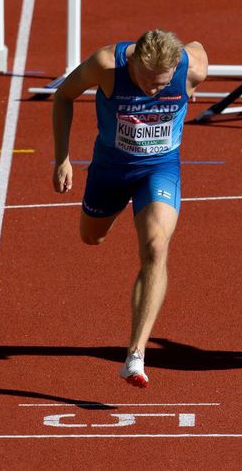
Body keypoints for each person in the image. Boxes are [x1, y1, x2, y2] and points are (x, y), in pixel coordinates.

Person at [52, 29, 208, 388]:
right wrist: (62, 158)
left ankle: (135, 355)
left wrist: (186, 90)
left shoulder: (193, 66)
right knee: (92, 238)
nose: (153, 90)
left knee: (155, 246)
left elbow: (197, 47)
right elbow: (64, 96)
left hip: (159, 167)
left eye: (162, 84)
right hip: (111, 168)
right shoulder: (105, 64)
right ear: (133, 62)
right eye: (146, 83)